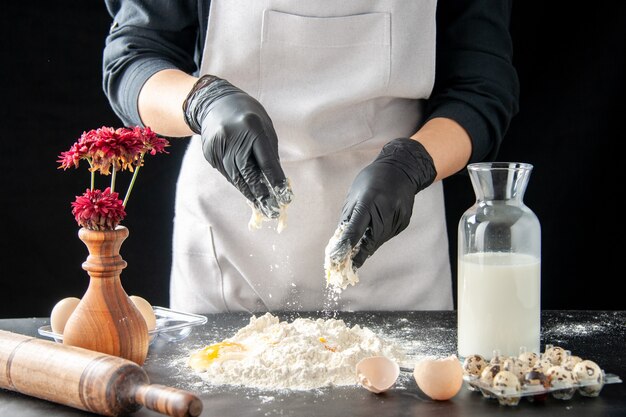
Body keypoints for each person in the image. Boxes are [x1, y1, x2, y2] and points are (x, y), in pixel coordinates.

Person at [103, 0, 519, 314]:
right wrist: (202, 103)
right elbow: (134, 57)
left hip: (395, 232)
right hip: (229, 243)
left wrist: (412, 165)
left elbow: (480, 87)